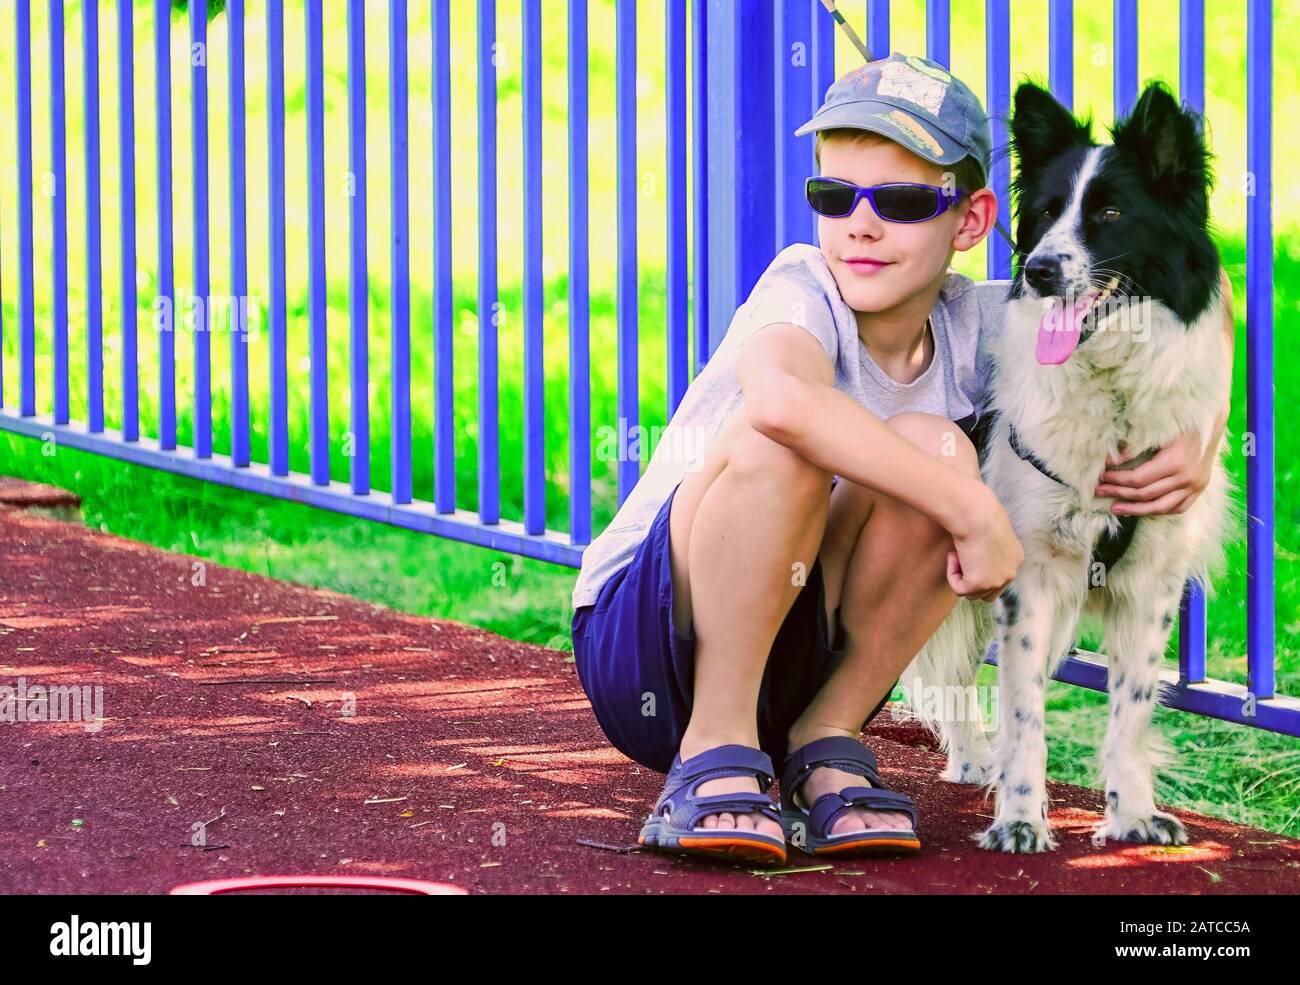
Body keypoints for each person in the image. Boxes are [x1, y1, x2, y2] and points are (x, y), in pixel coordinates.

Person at [569, 51, 1230, 864]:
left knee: (940, 447)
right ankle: (712, 748)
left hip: (799, 653)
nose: (862, 223)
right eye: (834, 196)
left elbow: (1175, 305)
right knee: (799, 447)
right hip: (648, 645)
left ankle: (825, 736)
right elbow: (782, 403)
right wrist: (973, 508)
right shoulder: (798, 291)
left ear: (973, 221)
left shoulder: (986, 325)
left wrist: (1203, 438)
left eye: (906, 200)